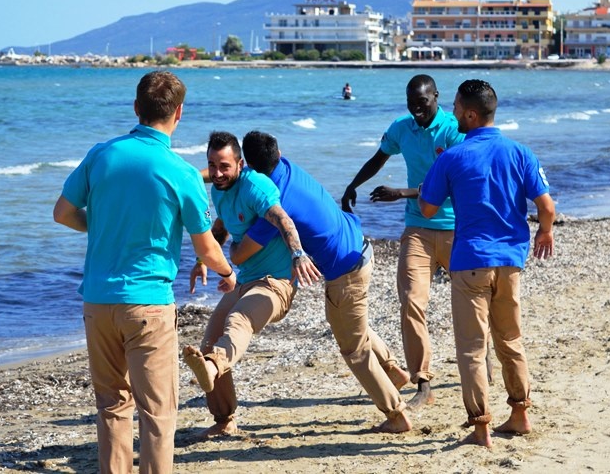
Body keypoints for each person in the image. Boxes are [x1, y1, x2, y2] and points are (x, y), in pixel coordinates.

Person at [53, 71, 236, 473]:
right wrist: (228, 270)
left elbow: (62, 212)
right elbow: (205, 246)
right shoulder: (182, 172)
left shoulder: (102, 154)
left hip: (98, 301)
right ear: (179, 114)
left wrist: (100, 225)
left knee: (113, 406)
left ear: (136, 108)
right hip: (148, 305)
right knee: (157, 413)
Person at [237, 130, 412, 432]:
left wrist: (227, 247)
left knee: (352, 348)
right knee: (348, 322)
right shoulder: (287, 168)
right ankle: (392, 369)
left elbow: (242, 254)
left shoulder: (275, 203)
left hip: (346, 271)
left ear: (250, 166)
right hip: (360, 247)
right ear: (277, 152)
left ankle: (397, 415)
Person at [417, 79, 555, 448]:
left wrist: (439, 170)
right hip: (510, 262)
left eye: (457, 108)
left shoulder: (452, 156)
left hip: (470, 261)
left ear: (471, 113)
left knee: (472, 348)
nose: (453, 114)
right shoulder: (520, 152)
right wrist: (545, 234)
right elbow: (547, 208)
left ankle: (480, 427)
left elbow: (427, 209)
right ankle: (520, 413)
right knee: (510, 338)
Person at [183, 131, 320, 438]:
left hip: (275, 284)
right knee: (209, 341)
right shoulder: (219, 191)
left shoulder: (255, 185)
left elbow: (283, 219)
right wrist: (204, 261)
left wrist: (298, 254)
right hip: (245, 281)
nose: (217, 173)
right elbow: (221, 227)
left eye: (224, 166)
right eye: (212, 165)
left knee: (238, 319)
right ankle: (225, 419)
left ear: (240, 163)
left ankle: (214, 364)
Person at [341, 74, 464, 409]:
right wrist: (352, 185)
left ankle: (484, 360)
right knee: (411, 302)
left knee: (475, 302)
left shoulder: (454, 130)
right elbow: (379, 157)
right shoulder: (402, 127)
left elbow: (455, 182)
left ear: (436, 96)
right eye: (411, 104)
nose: (416, 110)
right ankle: (422, 382)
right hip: (417, 228)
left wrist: (403, 193)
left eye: (422, 103)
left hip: (456, 228)